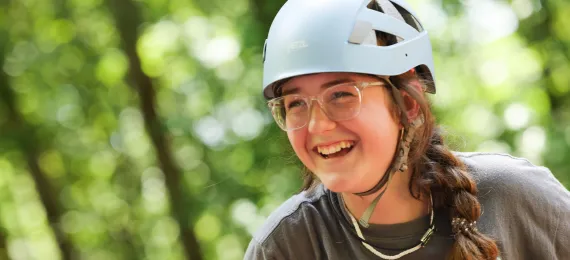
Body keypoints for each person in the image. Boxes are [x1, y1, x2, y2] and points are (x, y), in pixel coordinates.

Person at [244, 0, 570, 259]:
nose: (317, 124)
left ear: (407, 102)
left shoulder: (516, 197)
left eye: (341, 94)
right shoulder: (285, 246)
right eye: (295, 103)